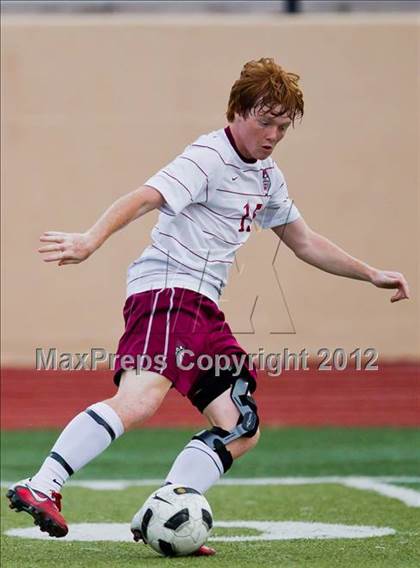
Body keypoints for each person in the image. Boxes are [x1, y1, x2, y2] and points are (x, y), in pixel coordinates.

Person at [7, 58, 409, 556]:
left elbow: (303, 241)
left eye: (283, 126)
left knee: (240, 423)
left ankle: (169, 505)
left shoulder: (267, 177)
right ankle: (42, 483)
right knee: (139, 401)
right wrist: (90, 240)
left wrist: (369, 272)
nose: (273, 135)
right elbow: (144, 196)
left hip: (203, 308)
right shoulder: (207, 156)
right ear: (238, 112)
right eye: (265, 121)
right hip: (168, 292)